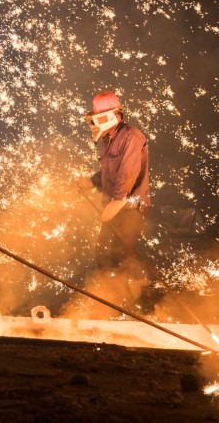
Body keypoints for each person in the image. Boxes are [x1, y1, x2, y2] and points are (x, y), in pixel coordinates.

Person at [76, 90, 152, 306]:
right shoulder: (109, 138)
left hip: (131, 207)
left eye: (98, 116)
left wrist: (118, 200)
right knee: (103, 253)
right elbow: (109, 170)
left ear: (112, 115)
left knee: (121, 254)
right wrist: (91, 182)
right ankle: (118, 294)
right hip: (114, 206)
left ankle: (139, 296)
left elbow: (128, 172)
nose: (94, 122)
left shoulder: (131, 136)